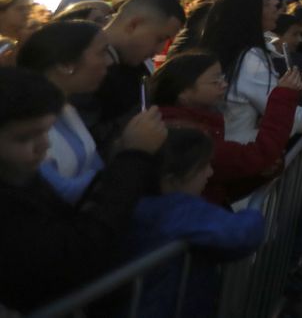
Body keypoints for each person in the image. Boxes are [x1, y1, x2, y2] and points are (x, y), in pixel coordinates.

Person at [0, 66, 166, 313]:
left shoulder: (20, 175)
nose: (44, 146)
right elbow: (78, 254)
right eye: (25, 137)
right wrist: (134, 157)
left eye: (46, 131)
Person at [127, 125, 266, 317]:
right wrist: (254, 214)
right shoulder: (177, 210)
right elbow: (240, 234)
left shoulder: (130, 202)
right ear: (172, 179)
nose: (210, 172)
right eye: (203, 166)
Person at [152, 51, 302, 205]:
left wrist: (259, 174)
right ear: (183, 92)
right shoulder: (186, 136)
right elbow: (260, 153)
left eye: (223, 78)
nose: (224, 84)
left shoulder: (198, 123)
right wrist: (284, 96)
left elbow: (218, 187)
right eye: (215, 81)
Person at [198, 0, 302, 143]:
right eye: (268, 1)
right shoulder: (250, 59)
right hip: (240, 151)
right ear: (252, 13)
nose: (276, 3)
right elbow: (273, 106)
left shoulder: (243, 51)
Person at [17, 20, 113, 203]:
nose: (108, 62)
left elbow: (96, 165)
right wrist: (134, 153)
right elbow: (60, 191)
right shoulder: (20, 120)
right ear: (66, 64)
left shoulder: (66, 109)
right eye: (102, 52)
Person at [84, 0, 185, 149]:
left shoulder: (134, 67)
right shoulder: (86, 69)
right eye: (160, 39)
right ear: (134, 25)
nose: (160, 50)